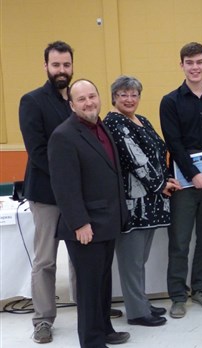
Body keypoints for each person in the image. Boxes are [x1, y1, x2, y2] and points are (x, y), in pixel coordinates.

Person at [48, 79, 130, 347]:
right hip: (87, 227)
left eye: (92, 96)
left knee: (103, 282)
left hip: (107, 221)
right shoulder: (64, 136)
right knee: (88, 287)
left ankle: (104, 328)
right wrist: (80, 223)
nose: (89, 102)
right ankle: (92, 340)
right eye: (81, 99)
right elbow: (65, 187)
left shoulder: (101, 127)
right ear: (72, 105)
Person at [103, 76, 182, 327]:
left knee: (140, 260)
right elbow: (134, 160)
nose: (129, 99)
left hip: (152, 202)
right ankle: (136, 312)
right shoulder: (114, 123)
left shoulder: (142, 120)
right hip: (133, 203)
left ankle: (142, 302)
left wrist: (168, 177)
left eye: (134, 94)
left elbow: (159, 151)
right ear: (114, 97)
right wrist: (161, 184)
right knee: (131, 261)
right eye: (123, 94)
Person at [160, 42, 202, 318]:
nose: (195, 67)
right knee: (179, 240)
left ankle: (201, 288)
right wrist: (194, 174)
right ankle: (177, 295)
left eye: (199, 62)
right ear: (182, 66)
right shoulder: (170, 101)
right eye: (189, 63)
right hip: (184, 184)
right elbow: (173, 144)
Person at [18, 40, 76, 344]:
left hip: (78, 193)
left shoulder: (78, 98)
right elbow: (38, 151)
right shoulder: (32, 101)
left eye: (66, 65)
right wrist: (69, 180)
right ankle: (42, 320)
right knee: (45, 260)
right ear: (46, 66)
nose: (62, 70)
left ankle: (89, 307)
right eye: (56, 65)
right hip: (46, 193)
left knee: (82, 254)